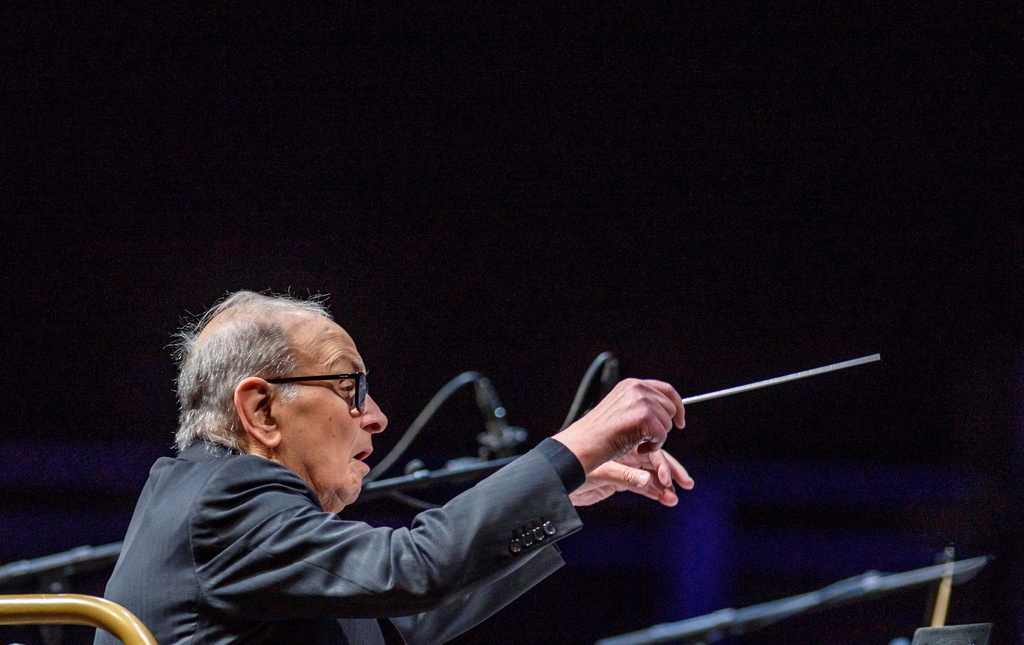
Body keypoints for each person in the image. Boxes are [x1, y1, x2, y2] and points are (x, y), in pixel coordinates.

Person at [96, 291, 693, 645]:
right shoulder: (223, 498)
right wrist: (576, 444)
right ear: (261, 410)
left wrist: (566, 488)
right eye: (347, 386)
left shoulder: (224, 508)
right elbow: (411, 568)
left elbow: (395, 622)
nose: (376, 416)